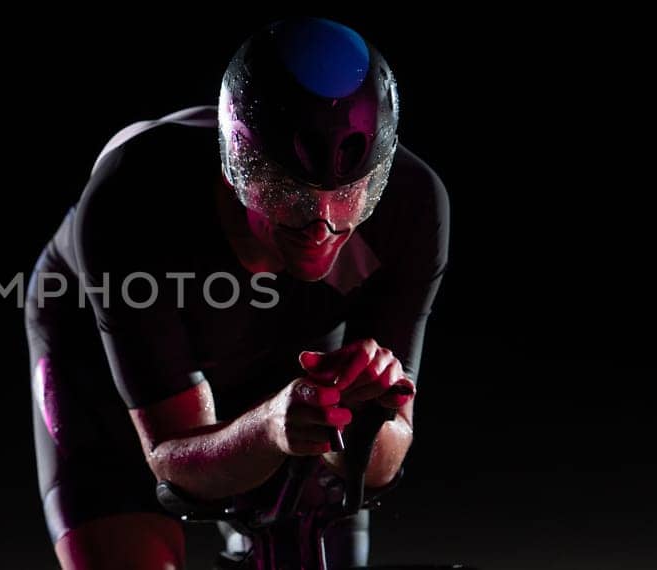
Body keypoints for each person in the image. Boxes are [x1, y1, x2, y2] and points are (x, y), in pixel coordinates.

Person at [25, 17, 449, 569]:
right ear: (235, 165)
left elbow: (386, 459)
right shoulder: (133, 195)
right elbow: (174, 462)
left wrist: (361, 423)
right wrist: (272, 428)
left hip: (280, 360)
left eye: (348, 198)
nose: (319, 225)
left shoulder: (413, 206)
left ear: (379, 179)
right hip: (103, 367)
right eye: (284, 192)